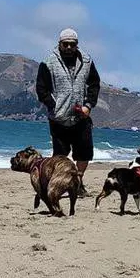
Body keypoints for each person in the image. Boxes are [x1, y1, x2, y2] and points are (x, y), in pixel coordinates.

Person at [36, 28, 101, 197]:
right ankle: (56, 184)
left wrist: (88, 105)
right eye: (66, 44)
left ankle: (77, 183)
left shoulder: (87, 61)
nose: (69, 48)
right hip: (58, 118)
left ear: (77, 45)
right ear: (60, 44)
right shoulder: (48, 62)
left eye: (73, 44)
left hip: (81, 117)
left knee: (84, 153)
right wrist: (53, 105)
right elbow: (41, 88)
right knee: (60, 156)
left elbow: (94, 84)